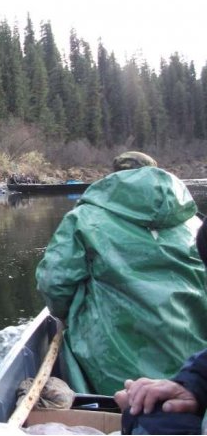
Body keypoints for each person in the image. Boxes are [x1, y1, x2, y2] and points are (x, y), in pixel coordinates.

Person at [35, 151, 207, 396]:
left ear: (115, 177)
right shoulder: (195, 223)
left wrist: (71, 315)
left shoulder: (84, 218)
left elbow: (53, 283)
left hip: (114, 373)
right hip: (194, 372)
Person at [114, 219, 207, 434]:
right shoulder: (190, 218)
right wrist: (193, 386)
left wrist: (138, 418)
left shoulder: (84, 217)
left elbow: (57, 285)